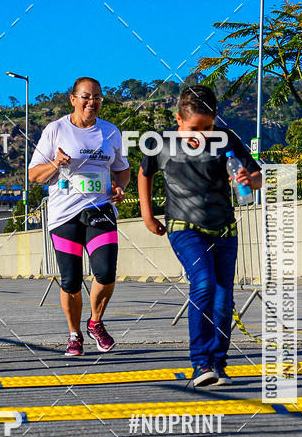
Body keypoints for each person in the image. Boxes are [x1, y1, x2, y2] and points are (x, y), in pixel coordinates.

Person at [138, 84, 262, 387]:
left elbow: (256, 177)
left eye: (209, 127)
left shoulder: (227, 140)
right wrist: (147, 213)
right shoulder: (160, 143)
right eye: (195, 128)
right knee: (203, 283)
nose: (203, 134)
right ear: (179, 119)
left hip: (223, 229)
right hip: (184, 227)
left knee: (223, 299)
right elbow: (145, 173)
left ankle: (219, 363)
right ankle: (201, 363)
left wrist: (250, 179)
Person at [28, 77, 130, 356]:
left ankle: (95, 322)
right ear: (72, 99)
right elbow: (34, 175)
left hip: (100, 209)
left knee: (106, 272)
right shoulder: (56, 130)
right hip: (64, 216)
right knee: (71, 280)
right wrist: (55, 163)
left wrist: (120, 186)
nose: (92, 102)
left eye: (97, 97)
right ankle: (74, 335)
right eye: (86, 96)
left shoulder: (110, 132)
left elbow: (123, 168)